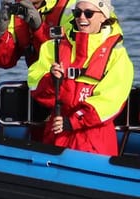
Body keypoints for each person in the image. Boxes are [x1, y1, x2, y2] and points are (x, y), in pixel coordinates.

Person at [28, 0, 133, 155]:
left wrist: (73, 121)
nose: (81, 17)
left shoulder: (117, 55)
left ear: (103, 17)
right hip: (57, 130)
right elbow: (34, 84)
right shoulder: (54, 46)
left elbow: (110, 101)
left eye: (89, 13)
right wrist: (51, 80)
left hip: (94, 139)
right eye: (77, 13)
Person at [0, 0, 76, 68]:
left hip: (70, 85)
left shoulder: (76, 8)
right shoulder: (15, 8)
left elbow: (67, 59)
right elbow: (2, 61)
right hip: (37, 86)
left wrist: (39, 29)